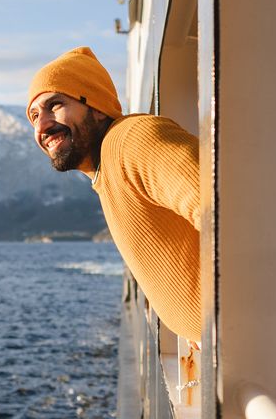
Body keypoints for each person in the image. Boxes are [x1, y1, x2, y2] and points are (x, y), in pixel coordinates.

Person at [26, 46, 201, 341]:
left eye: (54, 105)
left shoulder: (131, 140)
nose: (41, 125)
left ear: (95, 106)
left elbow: (227, 209)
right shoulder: (107, 169)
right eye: (33, 116)